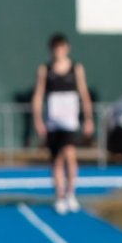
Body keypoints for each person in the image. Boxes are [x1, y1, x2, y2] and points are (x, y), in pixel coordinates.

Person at [30, 34, 92, 214]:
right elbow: (38, 95)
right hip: (53, 122)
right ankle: (60, 196)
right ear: (51, 50)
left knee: (70, 154)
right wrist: (38, 120)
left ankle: (71, 193)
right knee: (57, 160)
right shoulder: (45, 70)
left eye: (62, 47)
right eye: (56, 48)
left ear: (67, 48)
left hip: (70, 122)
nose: (59, 51)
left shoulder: (76, 68)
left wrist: (88, 119)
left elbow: (84, 93)